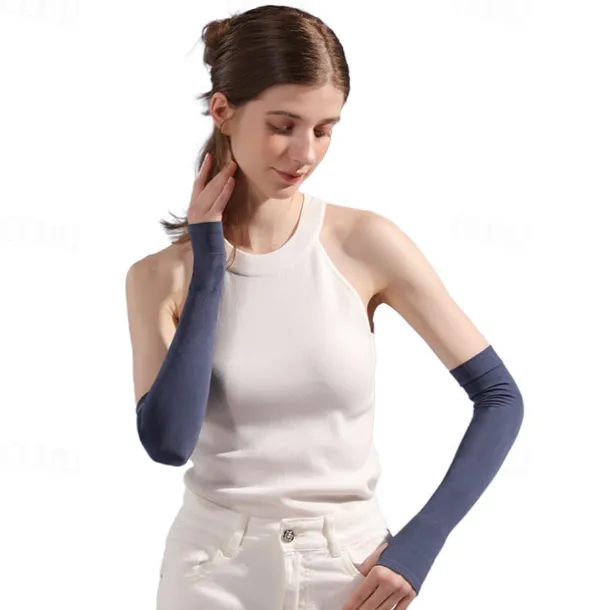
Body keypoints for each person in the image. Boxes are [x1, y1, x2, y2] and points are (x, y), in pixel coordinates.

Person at [125, 5, 524, 610]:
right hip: (212, 573)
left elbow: (500, 398)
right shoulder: (160, 278)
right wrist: (210, 267)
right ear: (223, 111)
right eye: (283, 125)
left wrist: (421, 544)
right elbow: (169, 442)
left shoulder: (365, 244)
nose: (304, 152)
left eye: (325, 129)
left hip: (352, 568)